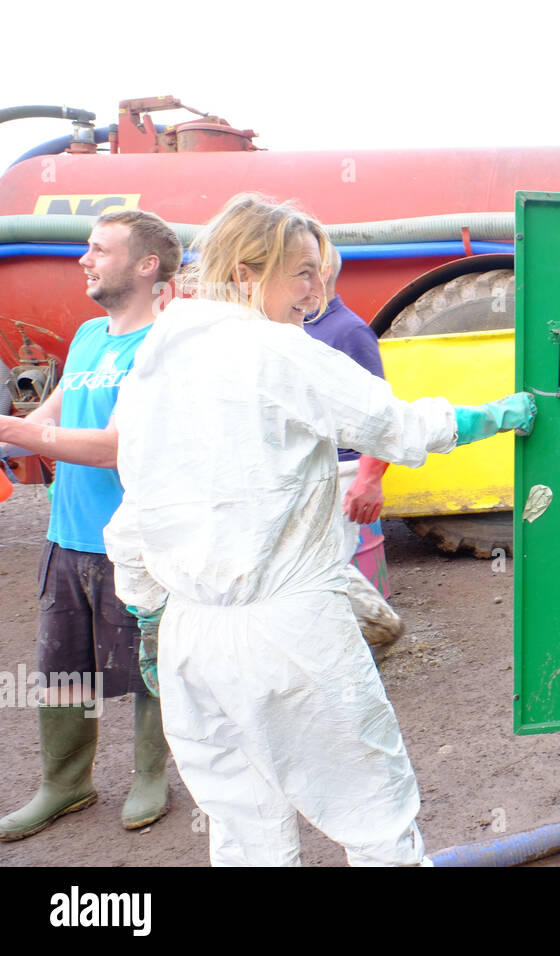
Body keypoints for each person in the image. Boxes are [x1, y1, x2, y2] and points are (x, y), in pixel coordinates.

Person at [103, 193, 535, 866]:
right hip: (287, 634)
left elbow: (136, 507)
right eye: (302, 273)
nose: (316, 294)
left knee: (244, 830)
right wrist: (493, 417)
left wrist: (147, 611)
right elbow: (395, 425)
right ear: (248, 272)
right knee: (373, 815)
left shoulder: (158, 361)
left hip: (192, 638)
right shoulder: (274, 351)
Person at [0, 209, 182, 840]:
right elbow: (59, 407)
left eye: (99, 249)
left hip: (135, 544)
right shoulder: (86, 335)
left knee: (148, 668)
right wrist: (17, 437)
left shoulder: (161, 347)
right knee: (61, 670)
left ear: (146, 265)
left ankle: (150, 775)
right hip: (67, 535)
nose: (85, 258)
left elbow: (118, 447)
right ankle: (65, 784)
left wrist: (30, 433)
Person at [303, 245, 402, 650]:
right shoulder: (296, 327)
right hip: (310, 468)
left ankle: (375, 627)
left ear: (323, 271)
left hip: (342, 470)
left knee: (320, 563)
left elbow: (381, 412)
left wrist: (368, 477)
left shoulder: (348, 331)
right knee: (318, 561)